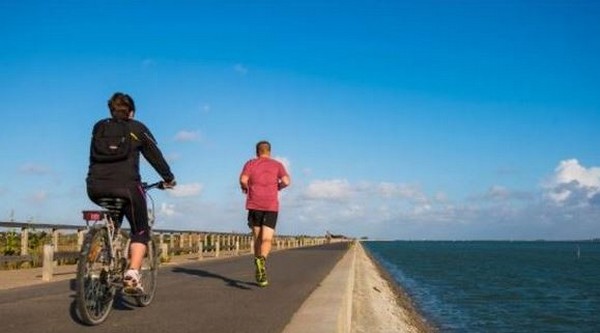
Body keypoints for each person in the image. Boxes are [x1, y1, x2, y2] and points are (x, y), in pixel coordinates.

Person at [86, 92, 176, 294]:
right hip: (127, 187)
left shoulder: (99, 127)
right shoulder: (137, 128)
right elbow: (155, 156)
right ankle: (132, 273)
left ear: (111, 110)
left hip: (95, 186)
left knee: (113, 220)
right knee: (140, 229)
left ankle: (100, 251)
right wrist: (168, 178)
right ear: (132, 112)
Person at [239, 140, 290, 287]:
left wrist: (245, 187)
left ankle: (257, 264)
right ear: (270, 151)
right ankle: (262, 260)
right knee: (267, 239)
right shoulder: (277, 165)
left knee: (257, 239)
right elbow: (286, 181)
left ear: (257, 152)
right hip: (271, 206)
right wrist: (278, 187)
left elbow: (243, 179)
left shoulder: (250, 163)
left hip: (255, 205)